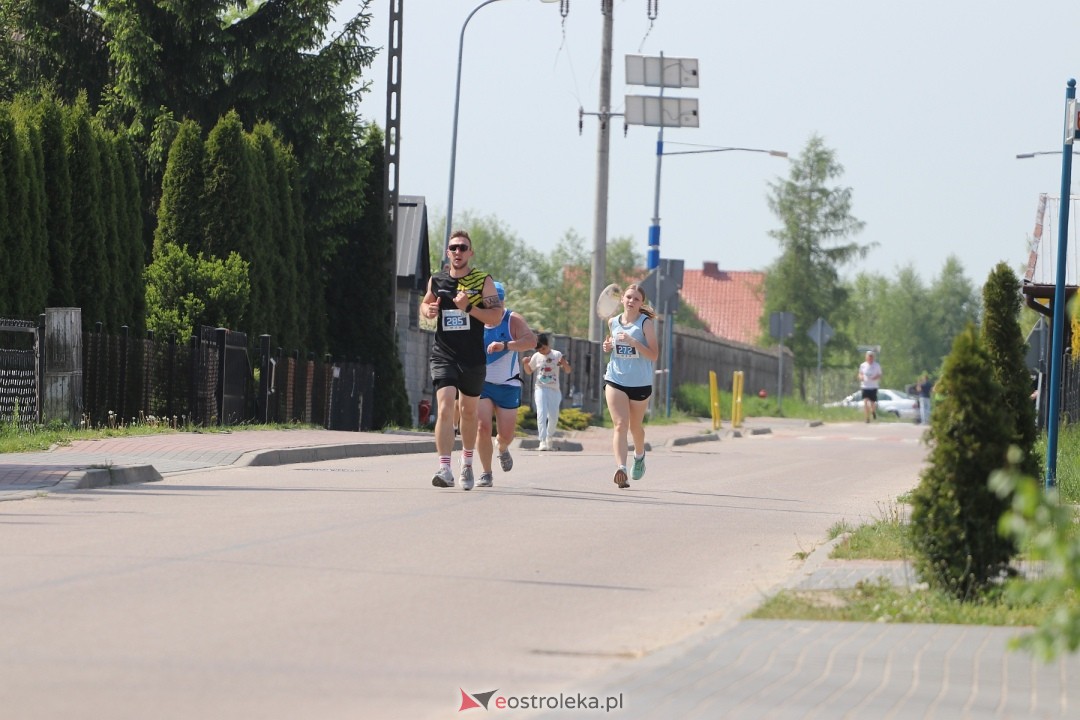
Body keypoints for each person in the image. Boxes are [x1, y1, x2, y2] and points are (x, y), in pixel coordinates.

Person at [419, 230, 504, 491]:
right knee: (445, 407)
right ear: (448, 252)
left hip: (472, 357)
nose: (458, 252)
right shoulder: (437, 279)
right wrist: (429, 309)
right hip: (444, 353)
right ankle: (444, 468)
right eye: (453, 248)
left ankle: (467, 462)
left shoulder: (482, 281)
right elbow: (424, 306)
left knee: (468, 412)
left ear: (470, 253)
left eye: (463, 248)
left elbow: (496, 316)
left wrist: (469, 307)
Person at [475, 282, 536, 487]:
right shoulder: (475, 319)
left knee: (507, 435)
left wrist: (506, 345)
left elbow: (531, 341)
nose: (494, 305)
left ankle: (501, 448)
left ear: (503, 301)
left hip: (508, 385)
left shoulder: (512, 320)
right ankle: (486, 472)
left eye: (498, 300)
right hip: (481, 383)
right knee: (483, 427)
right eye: (489, 300)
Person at [602, 283, 659, 488]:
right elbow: (613, 348)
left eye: (636, 299)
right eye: (628, 297)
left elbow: (653, 355)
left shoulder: (645, 324)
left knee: (635, 427)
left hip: (639, 383)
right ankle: (621, 469)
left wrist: (634, 342)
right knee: (620, 425)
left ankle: (640, 455)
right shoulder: (613, 322)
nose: (631, 301)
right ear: (622, 300)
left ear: (641, 303)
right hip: (616, 379)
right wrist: (608, 347)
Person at [524, 333, 571, 451]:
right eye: (539, 350)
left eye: (543, 348)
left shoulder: (556, 355)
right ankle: (542, 441)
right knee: (541, 412)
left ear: (548, 344)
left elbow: (568, 370)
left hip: (554, 390)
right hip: (540, 388)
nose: (542, 352)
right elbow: (529, 371)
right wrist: (525, 364)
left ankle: (549, 436)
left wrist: (564, 363)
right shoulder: (536, 356)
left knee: (553, 416)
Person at [858, 350, 883, 423]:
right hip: (865, 386)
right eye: (869, 356)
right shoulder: (863, 365)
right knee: (865, 402)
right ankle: (867, 418)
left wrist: (875, 378)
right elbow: (860, 374)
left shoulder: (876, 365)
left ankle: (873, 411)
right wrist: (861, 377)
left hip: (873, 386)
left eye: (871, 356)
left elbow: (879, 375)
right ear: (866, 357)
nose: (870, 358)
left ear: (873, 357)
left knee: (872, 403)